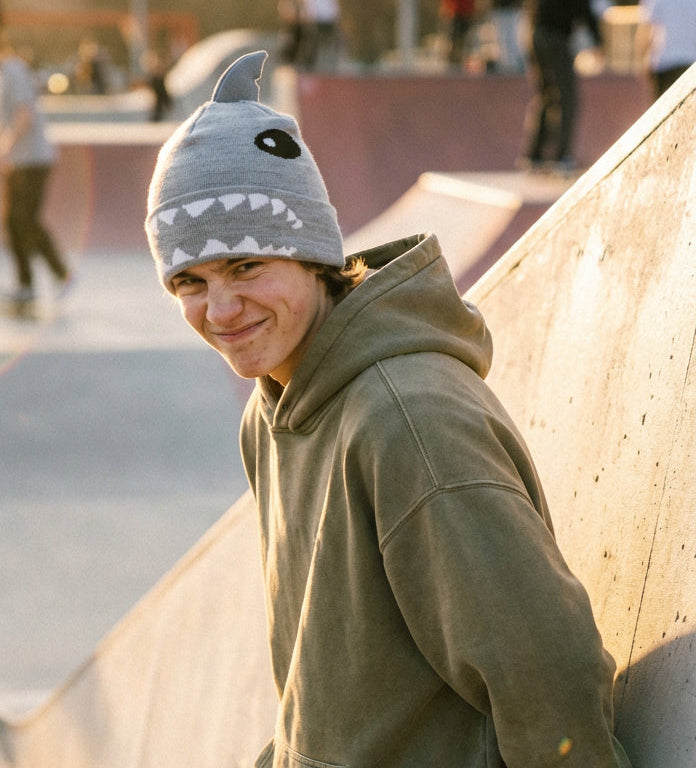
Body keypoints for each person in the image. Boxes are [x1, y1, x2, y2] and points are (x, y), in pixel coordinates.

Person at [145, 51, 632, 768]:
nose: (220, 310)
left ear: (311, 257)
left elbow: (548, 679)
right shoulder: (273, 412)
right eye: (190, 281)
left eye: (246, 266)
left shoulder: (408, 423)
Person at [0, 21, 71, 311]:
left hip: (35, 159)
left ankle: (60, 275)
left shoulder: (14, 71)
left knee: (25, 219)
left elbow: (24, 115)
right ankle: (26, 285)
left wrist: (4, 150)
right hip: (13, 163)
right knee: (11, 223)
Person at [519, 0, 604, 172]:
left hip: (536, 32)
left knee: (546, 96)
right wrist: (599, 41)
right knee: (567, 97)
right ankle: (561, 156)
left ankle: (535, 155)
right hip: (555, 36)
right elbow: (584, 9)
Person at [637, 0, 696, 100]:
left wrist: (642, 61)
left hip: (663, 62)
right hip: (689, 61)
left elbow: (645, 31)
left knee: (662, 106)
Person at [440, 0, 476, 69]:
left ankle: (460, 61)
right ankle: (453, 60)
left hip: (466, 12)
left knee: (464, 39)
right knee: (453, 39)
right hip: (454, 13)